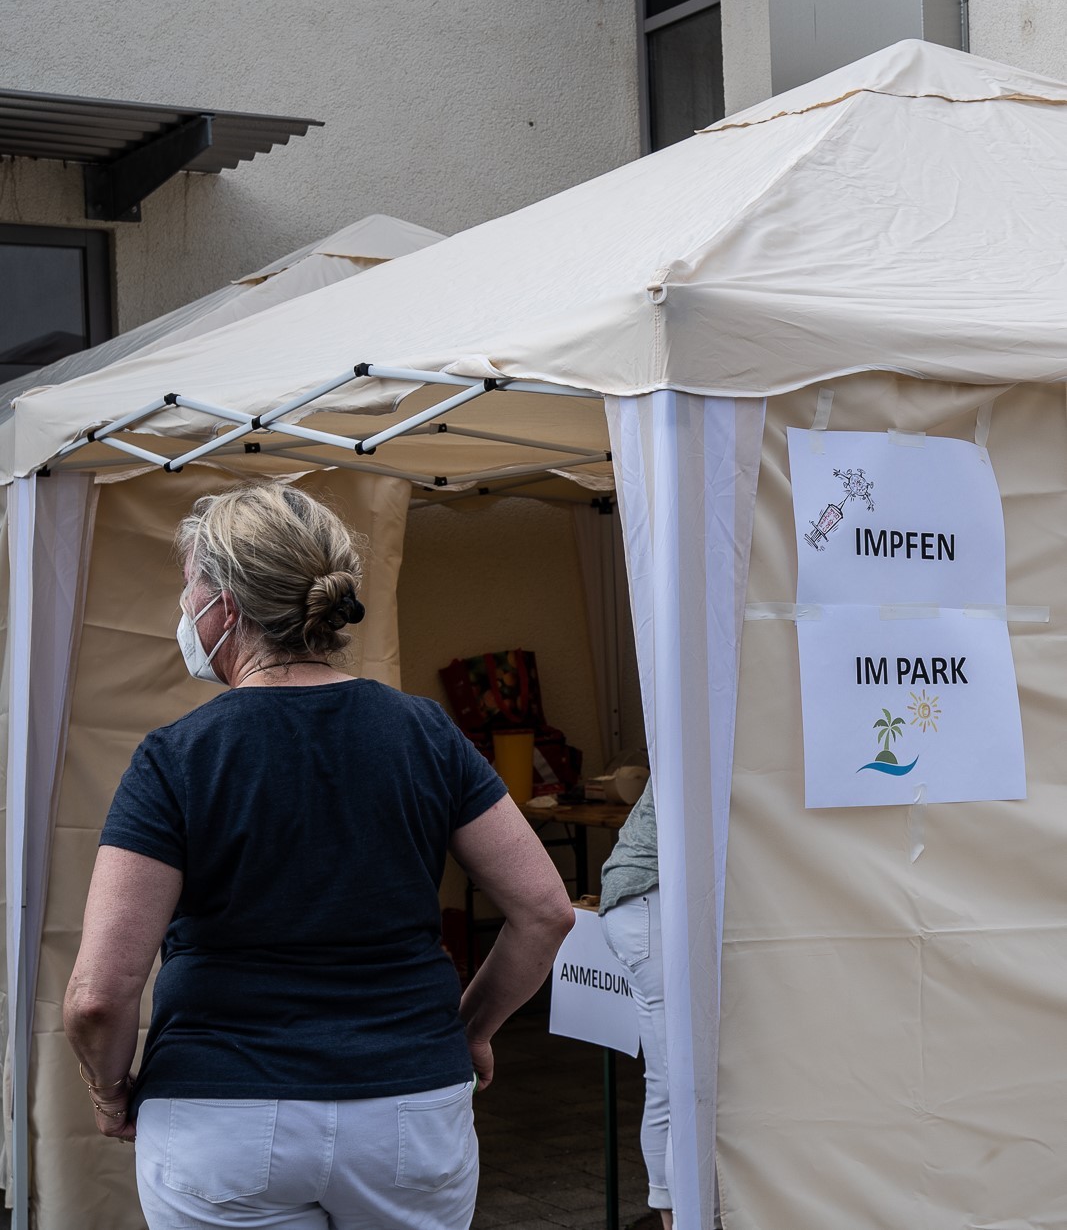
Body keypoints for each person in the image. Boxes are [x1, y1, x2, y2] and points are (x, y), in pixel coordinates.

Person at [64, 482, 575, 1230]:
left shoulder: (175, 759)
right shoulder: (425, 733)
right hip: (408, 1109)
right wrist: (469, 1032)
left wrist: (110, 1093)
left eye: (189, 591)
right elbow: (545, 911)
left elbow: (98, 995)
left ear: (225, 609)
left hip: (222, 1116)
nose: (184, 612)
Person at [599, 780, 673, 1230]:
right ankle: (682, 1215)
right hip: (650, 899)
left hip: (632, 904)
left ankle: (670, 1216)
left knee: (666, 1082)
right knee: (684, 1082)